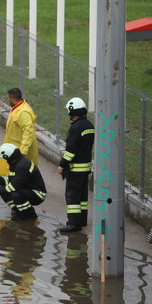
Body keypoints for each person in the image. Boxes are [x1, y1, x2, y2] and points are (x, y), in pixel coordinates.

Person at [57, 97, 95, 233]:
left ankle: (73, 223)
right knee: (82, 196)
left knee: (72, 196)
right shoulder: (90, 126)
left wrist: (62, 164)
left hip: (75, 169)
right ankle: (82, 220)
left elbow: (71, 151)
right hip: (85, 168)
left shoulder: (75, 128)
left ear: (73, 111)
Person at [0, 143, 46, 219]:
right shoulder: (16, 163)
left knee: (15, 194)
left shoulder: (22, 165)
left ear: (7, 157)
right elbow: (11, 180)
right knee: (5, 190)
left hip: (38, 194)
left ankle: (29, 215)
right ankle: (18, 210)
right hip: (27, 189)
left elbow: (15, 185)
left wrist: (0, 191)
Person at [0, 88, 39, 176]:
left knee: (20, 177)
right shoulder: (18, 108)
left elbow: (28, 133)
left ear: (12, 99)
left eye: (8, 98)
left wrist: (22, 153)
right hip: (13, 151)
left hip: (19, 153)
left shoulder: (23, 113)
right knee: (12, 175)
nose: (7, 100)